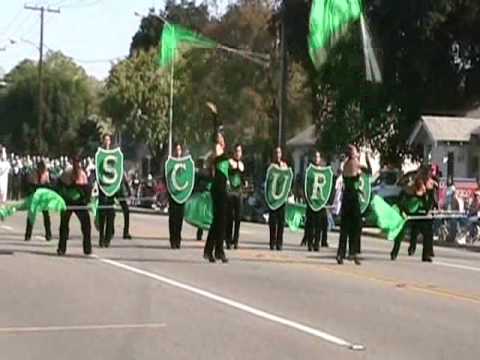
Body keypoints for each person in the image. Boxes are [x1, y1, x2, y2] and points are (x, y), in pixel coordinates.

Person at [390, 167, 435, 262]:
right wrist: (415, 193)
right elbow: (403, 196)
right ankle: (394, 252)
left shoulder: (428, 186)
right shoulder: (412, 185)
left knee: (427, 232)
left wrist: (430, 207)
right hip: (408, 212)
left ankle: (426, 255)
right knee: (401, 232)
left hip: (420, 213)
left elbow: (429, 202)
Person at [336, 145, 369, 265]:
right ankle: (353, 252)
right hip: (353, 198)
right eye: (356, 151)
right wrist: (367, 158)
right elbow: (368, 170)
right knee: (356, 226)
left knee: (344, 227)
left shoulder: (345, 164)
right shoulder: (355, 163)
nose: (357, 153)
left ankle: (341, 253)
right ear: (352, 153)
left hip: (346, 197)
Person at [58, 155, 92, 256]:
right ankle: (61, 248)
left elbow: (87, 189)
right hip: (67, 201)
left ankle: (87, 248)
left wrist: (86, 201)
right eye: (75, 163)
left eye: (78, 164)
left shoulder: (82, 174)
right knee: (64, 225)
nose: (76, 166)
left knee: (86, 225)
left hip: (79, 202)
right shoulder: (66, 173)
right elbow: (59, 185)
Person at [204, 131, 229, 263]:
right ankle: (216, 251)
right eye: (220, 137)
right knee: (218, 221)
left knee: (220, 222)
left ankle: (212, 250)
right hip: (217, 189)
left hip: (223, 189)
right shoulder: (217, 152)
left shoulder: (224, 154)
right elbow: (218, 153)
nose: (222, 138)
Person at [305, 150, 329, 252]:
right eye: (315, 156)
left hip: (320, 201)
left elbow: (326, 185)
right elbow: (307, 185)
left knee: (319, 224)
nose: (316, 158)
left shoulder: (323, 171)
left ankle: (317, 243)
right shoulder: (309, 170)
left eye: (318, 157)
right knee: (310, 223)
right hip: (311, 200)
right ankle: (310, 243)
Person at [24, 160, 52, 242]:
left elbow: (48, 184)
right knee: (31, 215)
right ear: (38, 168)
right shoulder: (33, 174)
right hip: (35, 195)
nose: (43, 170)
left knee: (46, 216)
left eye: (44, 169)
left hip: (43, 196)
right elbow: (31, 186)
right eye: (42, 169)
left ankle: (48, 234)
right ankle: (28, 235)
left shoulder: (46, 174)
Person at [268, 147, 289, 251]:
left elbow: (287, 179)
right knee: (272, 222)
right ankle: (272, 242)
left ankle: (279, 243)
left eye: (279, 152)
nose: (278, 154)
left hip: (282, 197)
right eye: (276, 152)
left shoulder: (284, 165)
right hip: (273, 198)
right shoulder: (271, 167)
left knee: (281, 222)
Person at [226, 143, 245, 250]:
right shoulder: (229, 162)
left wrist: (245, 183)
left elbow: (243, 178)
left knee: (238, 218)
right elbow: (226, 175)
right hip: (230, 192)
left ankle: (235, 240)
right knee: (230, 217)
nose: (238, 153)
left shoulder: (242, 164)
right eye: (236, 151)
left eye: (239, 151)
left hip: (239, 192)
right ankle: (228, 240)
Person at [97, 134, 116, 248]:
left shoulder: (114, 155)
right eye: (105, 140)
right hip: (102, 187)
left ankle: (107, 239)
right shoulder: (100, 154)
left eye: (108, 140)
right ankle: (101, 238)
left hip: (111, 187)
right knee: (102, 214)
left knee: (111, 214)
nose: (107, 141)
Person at [168, 143, 186, 249]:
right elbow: (166, 177)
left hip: (182, 194)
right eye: (176, 150)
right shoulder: (170, 163)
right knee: (172, 218)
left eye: (179, 149)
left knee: (179, 218)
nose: (178, 152)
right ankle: (172, 240)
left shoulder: (185, 164)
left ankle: (178, 239)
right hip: (173, 194)